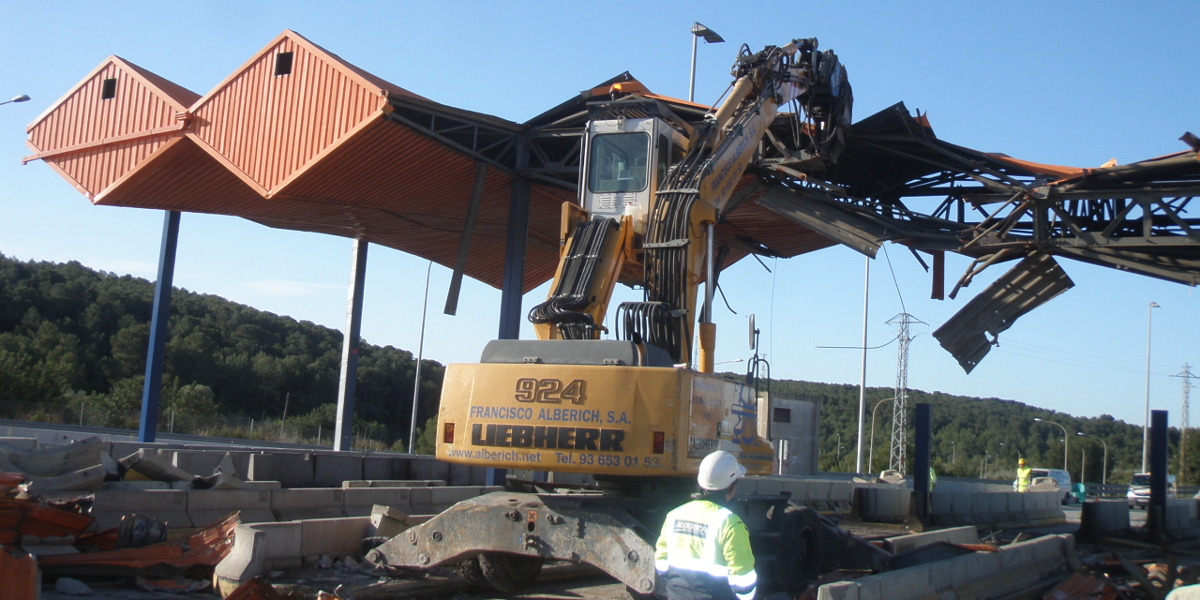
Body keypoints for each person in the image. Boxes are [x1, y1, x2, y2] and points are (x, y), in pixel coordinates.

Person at [655, 451, 757, 600]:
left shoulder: (674, 515)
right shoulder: (730, 523)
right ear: (732, 485)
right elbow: (743, 581)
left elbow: (661, 564)